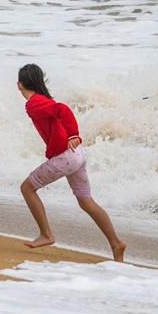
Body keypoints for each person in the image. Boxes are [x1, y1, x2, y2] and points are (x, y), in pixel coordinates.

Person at [17, 63, 126, 262]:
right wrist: (71, 136)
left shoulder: (34, 103)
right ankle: (116, 243)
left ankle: (46, 234)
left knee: (27, 188)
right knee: (86, 201)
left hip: (65, 157)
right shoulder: (43, 100)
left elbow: (62, 110)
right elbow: (59, 114)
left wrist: (74, 134)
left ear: (19, 84)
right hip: (76, 155)